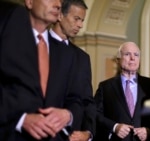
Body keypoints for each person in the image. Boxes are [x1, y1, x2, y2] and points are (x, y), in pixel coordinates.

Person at [0, 0, 88, 140]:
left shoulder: (67, 54)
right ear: (29, 2)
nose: (58, 4)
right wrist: (21, 119)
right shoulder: (7, 39)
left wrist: (68, 115)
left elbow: (76, 99)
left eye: (60, 0)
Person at [93, 42, 150, 141]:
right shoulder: (105, 87)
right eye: (127, 54)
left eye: (136, 55)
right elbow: (95, 114)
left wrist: (149, 130)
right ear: (118, 60)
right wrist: (114, 127)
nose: (133, 58)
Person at [49, 0, 96, 141]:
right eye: (76, 19)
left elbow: (87, 101)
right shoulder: (38, 46)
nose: (80, 25)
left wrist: (88, 133)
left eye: (82, 20)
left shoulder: (82, 58)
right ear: (59, 16)